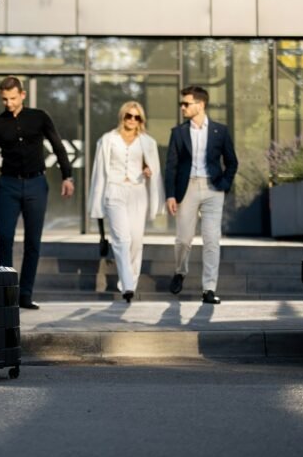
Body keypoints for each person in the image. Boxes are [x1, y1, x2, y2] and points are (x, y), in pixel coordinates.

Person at [0, 76, 74, 310]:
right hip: (8, 185)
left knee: (32, 242)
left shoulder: (39, 117)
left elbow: (57, 146)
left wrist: (67, 176)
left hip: (36, 184)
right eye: (4, 99)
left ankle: (25, 295)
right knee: (5, 239)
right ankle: (6, 295)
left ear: (22, 95)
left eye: (13, 98)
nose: (9, 103)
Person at [164, 85, 238, 304]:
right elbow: (171, 166)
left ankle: (209, 289)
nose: (183, 107)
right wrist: (170, 195)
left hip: (213, 189)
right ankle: (180, 271)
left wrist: (224, 184)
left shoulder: (220, 131)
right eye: (182, 104)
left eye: (186, 103)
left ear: (201, 104)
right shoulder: (178, 132)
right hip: (187, 189)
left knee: (212, 239)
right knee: (183, 239)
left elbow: (232, 162)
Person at [86, 101, 164, 303]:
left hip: (138, 193)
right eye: (128, 115)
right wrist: (96, 200)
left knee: (136, 241)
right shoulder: (108, 140)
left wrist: (148, 170)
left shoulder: (147, 142)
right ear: (122, 117)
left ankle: (129, 282)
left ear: (141, 120)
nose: (132, 120)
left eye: (136, 117)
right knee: (122, 239)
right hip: (115, 191)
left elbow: (153, 170)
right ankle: (128, 285)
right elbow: (99, 171)